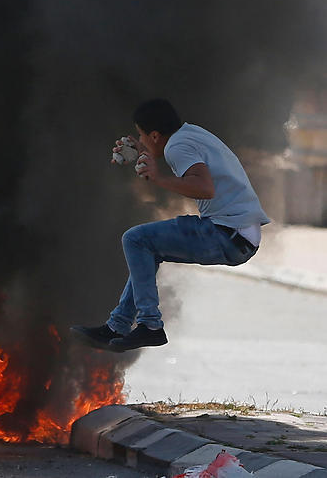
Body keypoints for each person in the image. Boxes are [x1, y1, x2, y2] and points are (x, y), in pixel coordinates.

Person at [71, 99, 270, 352]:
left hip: (227, 234)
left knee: (135, 239)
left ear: (155, 134)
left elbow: (205, 188)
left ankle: (150, 326)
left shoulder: (177, 147)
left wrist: (158, 178)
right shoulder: (188, 134)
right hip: (239, 235)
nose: (141, 140)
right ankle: (118, 325)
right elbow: (188, 164)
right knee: (148, 248)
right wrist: (140, 150)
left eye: (142, 135)